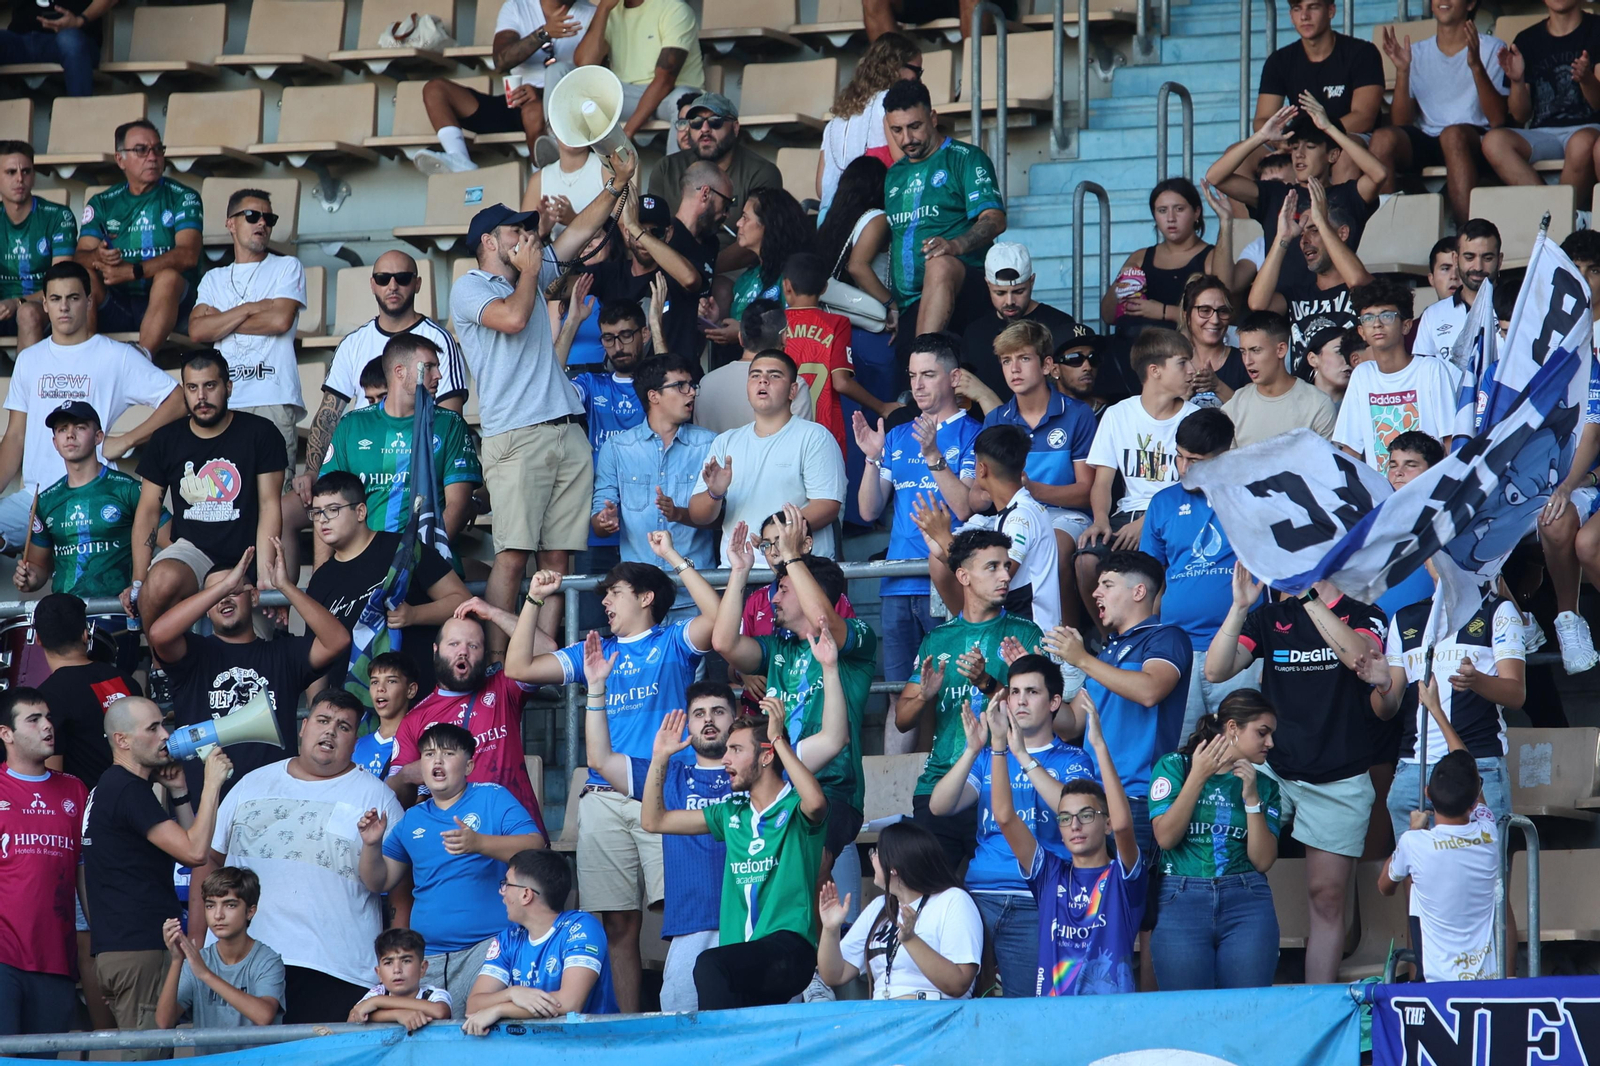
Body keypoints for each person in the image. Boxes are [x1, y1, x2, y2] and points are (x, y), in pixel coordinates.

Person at [494, 541, 716, 1016]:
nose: (605, 603)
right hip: (600, 794)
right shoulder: (596, 651)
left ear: (646, 598)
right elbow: (518, 668)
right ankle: (629, 1027)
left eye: (614, 593)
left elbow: (719, 624)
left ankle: (687, 1020)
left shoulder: (672, 642)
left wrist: (677, 561)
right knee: (617, 925)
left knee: (680, 914)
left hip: (664, 793)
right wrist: (532, 600)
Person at [449, 147, 636, 650]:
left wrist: (616, 187)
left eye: (528, 231)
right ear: (489, 242)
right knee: (513, 554)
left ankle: (545, 657)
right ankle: (493, 658)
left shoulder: (528, 272)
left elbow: (578, 233)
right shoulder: (469, 287)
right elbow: (511, 318)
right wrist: (532, 271)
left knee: (558, 559)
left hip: (564, 431)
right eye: (516, 232)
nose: (527, 238)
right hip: (516, 436)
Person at [1204, 563, 1386, 985]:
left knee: (1327, 896)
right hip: (1274, 771)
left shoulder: (1365, 614)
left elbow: (1360, 659)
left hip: (1338, 777)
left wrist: (1308, 597)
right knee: (1226, 867)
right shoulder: (1269, 618)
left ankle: (1318, 1005)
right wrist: (1238, 607)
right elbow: (1215, 670)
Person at [710, 512, 872, 926]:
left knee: (812, 870)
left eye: (782, 591)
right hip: (779, 784)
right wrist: (739, 571)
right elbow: (725, 642)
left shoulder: (856, 638)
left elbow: (828, 629)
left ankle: (815, 974)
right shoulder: (779, 647)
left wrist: (793, 559)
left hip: (833, 787)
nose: (774, 600)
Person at [207, 689, 406, 1023]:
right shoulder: (250, 785)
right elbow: (209, 863)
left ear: (355, 741)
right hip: (242, 962)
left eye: (343, 726)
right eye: (323, 720)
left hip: (337, 969)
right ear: (303, 726)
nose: (330, 731)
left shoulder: (379, 798)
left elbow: (394, 887)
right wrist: (203, 943)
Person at [925, 653, 1095, 997]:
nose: (1020, 700)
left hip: (1038, 899)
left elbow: (1075, 808)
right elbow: (939, 805)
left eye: (1032, 692)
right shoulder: (989, 756)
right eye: (1014, 692)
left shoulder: (1073, 760)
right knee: (967, 1006)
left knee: (1027, 1008)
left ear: (1054, 702)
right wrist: (973, 750)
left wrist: (1021, 755)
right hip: (979, 896)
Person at [641, 706, 829, 1010]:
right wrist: (660, 758)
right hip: (744, 958)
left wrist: (778, 739)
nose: (725, 758)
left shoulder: (795, 807)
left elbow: (817, 802)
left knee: (709, 965)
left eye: (736, 749)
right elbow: (653, 821)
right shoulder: (731, 813)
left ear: (766, 756)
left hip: (790, 950)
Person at [358, 722, 545, 1016]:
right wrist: (371, 845)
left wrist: (479, 843)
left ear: (469, 764)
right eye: (429, 754)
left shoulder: (492, 797)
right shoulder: (413, 818)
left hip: (488, 948)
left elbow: (536, 846)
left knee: (482, 1035)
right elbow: (379, 881)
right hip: (424, 959)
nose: (437, 760)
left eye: (448, 753)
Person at [0, 262, 184, 554]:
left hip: (95, 496)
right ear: (44, 304)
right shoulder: (29, 360)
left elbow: (178, 399)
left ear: (88, 302)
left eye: (73, 298)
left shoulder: (115, 356)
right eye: (56, 299)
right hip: (35, 499)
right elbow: (15, 437)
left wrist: (125, 440)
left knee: (168, 542)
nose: (64, 307)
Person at [855, 333, 981, 753]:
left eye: (929, 374)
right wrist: (872, 458)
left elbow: (963, 507)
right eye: (912, 376)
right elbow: (870, 510)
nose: (918, 385)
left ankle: (947, 784)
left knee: (950, 691)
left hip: (944, 579)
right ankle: (894, 803)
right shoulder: (897, 434)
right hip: (897, 581)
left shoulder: (972, 433)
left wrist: (932, 453)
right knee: (899, 694)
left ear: (955, 377)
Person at [895, 526, 1047, 867]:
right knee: (927, 897)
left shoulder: (1026, 633)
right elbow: (902, 720)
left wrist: (987, 682)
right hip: (940, 783)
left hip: (1004, 786)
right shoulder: (937, 639)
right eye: (992, 567)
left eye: (1006, 566)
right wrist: (924, 696)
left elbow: (1042, 715)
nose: (1005, 575)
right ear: (963, 576)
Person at [150, 543, 350, 800]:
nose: (225, 597)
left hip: (273, 806)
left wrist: (286, 587)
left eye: (236, 590)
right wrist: (223, 587)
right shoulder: (194, 654)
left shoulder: (284, 655)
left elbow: (338, 641)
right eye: (215, 593)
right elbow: (158, 634)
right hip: (206, 813)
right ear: (207, 608)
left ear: (254, 597)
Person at [84, 697, 230, 1040]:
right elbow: (196, 853)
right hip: (140, 951)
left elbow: (188, 849)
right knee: (148, 1054)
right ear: (122, 740)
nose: (166, 734)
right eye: (153, 728)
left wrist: (180, 793)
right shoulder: (127, 790)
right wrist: (211, 783)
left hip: (123, 948)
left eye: (164, 724)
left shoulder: (112, 787)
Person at [584, 679, 734, 1012]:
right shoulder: (669, 775)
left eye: (718, 711)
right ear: (688, 724)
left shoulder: (757, 771)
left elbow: (831, 741)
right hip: (691, 926)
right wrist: (595, 687)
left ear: (734, 720)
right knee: (682, 1032)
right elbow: (599, 760)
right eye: (699, 714)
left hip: (755, 921)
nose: (708, 719)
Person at [1046, 551, 1192, 882]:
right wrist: (1032, 690)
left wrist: (1082, 659)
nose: (1096, 593)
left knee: (1135, 908)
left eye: (1107, 584)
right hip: (1091, 796)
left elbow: (1150, 690)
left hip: (1138, 797)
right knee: (1098, 902)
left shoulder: (1166, 636)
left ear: (1138, 592)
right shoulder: (1108, 651)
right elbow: (1073, 723)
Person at [993, 698, 1145, 995]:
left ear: (1106, 823)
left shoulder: (1123, 877)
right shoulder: (1049, 874)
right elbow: (1005, 817)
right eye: (1065, 818)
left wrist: (1099, 746)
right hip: (1054, 1018)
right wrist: (1001, 747)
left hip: (1112, 1017)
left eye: (1086, 815)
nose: (1075, 825)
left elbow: (1125, 826)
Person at [132, 350, 288, 632]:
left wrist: (265, 575)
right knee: (157, 584)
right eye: (192, 387)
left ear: (228, 387)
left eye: (210, 386)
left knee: (265, 637)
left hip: (247, 553)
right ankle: (161, 671)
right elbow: (148, 512)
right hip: (193, 551)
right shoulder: (166, 439)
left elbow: (269, 506)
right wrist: (138, 581)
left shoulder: (261, 433)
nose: (201, 397)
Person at [300, 253, 468, 507]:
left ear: (417, 284)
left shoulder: (438, 340)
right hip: (355, 466)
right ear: (372, 284)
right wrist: (312, 472)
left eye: (402, 278)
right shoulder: (353, 343)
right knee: (287, 512)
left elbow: (448, 421)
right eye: (383, 278)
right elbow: (328, 415)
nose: (392, 286)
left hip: (414, 469)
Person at [1365, 576, 1523, 842]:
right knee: (1416, 874)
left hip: (1477, 763)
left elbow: (1517, 694)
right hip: (1413, 768)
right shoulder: (1406, 618)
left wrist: (1476, 680)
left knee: (1482, 877)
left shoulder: (1497, 609)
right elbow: (1386, 710)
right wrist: (1382, 685)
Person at [1148, 690, 1282, 991]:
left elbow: (1262, 861)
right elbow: (1166, 837)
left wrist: (1251, 800)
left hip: (1246, 900)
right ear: (1232, 728)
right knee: (1187, 1013)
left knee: (1248, 1010)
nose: (1270, 743)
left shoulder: (1265, 785)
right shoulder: (1174, 766)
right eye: (1262, 732)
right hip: (1181, 896)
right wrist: (1198, 775)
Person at [1141, 409, 1262, 737]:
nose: (1184, 468)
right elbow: (1148, 584)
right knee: (1181, 755)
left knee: (1245, 756)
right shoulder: (1163, 503)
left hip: (1243, 650)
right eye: (1180, 457)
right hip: (1178, 652)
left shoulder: (1253, 498)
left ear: (1224, 457)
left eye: (1195, 460)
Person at [1377, 680, 1500, 982]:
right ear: (1475, 802)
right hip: (1487, 980)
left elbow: (1384, 887)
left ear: (1427, 793)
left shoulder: (1414, 843)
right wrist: (1437, 711)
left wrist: (1413, 832)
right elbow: (1467, 765)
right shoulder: (1488, 831)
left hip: (1437, 984)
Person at [188, 188, 307, 497]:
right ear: (231, 223)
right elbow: (198, 331)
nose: (262, 224)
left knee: (274, 499)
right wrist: (250, 308)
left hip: (273, 396)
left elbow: (279, 321)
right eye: (252, 216)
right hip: (226, 399)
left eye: (269, 218)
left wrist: (222, 322)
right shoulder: (213, 279)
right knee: (223, 497)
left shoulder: (286, 266)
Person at [304, 472, 469, 694]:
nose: (323, 519)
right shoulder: (320, 581)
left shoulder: (404, 550)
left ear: (360, 511)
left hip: (418, 700)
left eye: (332, 510)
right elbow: (318, 657)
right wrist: (318, 708)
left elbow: (463, 601)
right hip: (353, 714)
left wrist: (414, 615)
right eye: (316, 513)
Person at [320, 334, 482, 561]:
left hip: (428, 564)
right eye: (429, 367)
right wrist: (322, 574)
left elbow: (458, 504)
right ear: (400, 372)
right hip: (363, 563)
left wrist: (419, 563)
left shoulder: (449, 424)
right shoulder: (352, 425)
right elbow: (328, 503)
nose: (439, 375)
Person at [1077, 329, 1198, 628]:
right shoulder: (1119, 414)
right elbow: (1102, 481)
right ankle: (1107, 640)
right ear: (1154, 371)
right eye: (1183, 363)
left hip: (1174, 515)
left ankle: (1156, 637)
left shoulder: (1194, 417)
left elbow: (1195, 487)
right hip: (1125, 515)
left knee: (1160, 567)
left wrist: (1145, 523)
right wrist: (1101, 519)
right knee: (1085, 560)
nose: (1192, 371)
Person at [1209, 99, 1385, 299]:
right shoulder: (1277, 194)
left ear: (1333, 155)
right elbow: (1215, 177)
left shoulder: (1348, 195)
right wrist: (1261, 137)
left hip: (1337, 307)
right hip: (1281, 309)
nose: (1299, 155)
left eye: (1310, 146)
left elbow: (1379, 174)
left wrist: (1330, 129)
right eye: (1294, 147)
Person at [979, 320, 1098, 614]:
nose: (1014, 369)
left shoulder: (1078, 415)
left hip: (1065, 517)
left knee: (1053, 550)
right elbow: (978, 494)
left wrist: (1031, 490)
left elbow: (1087, 493)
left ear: (1047, 365)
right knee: (952, 558)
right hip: (1011, 516)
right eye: (1006, 361)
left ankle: (1066, 645)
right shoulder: (996, 419)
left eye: (1024, 358)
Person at [386, 611, 544, 825]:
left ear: (485, 654)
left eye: (473, 646)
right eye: (453, 644)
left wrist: (493, 613)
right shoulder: (414, 719)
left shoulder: (505, 686)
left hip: (517, 835)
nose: (463, 652)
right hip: (453, 846)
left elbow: (548, 650)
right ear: (436, 651)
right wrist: (406, 775)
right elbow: (394, 803)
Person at [689, 350, 846, 561]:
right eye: (755, 375)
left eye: (774, 375)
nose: (763, 380)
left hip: (799, 570)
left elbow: (827, 506)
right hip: (738, 571)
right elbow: (699, 515)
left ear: (793, 391)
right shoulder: (726, 441)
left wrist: (772, 538)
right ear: (747, 388)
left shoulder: (814, 436)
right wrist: (715, 494)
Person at [882, 78, 1006, 343]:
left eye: (915, 126)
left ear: (933, 118)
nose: (907, 139)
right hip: (910, 309)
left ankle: (925, 357)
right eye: (897, 130)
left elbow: (995, 219)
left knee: (939, 264)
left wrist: (954, 245)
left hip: (963, 297)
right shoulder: (894, 174)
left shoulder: (966, 158)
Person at [412, 0, 596, 173]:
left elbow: (595, 77)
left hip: (560, 105)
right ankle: (460, 161)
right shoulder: (517, 6)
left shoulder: (590, 14)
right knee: (435, 89)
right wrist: (543, 33)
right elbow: (500, 61)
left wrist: (540, 92)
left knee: (533, 112)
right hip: (515, 100)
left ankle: (545, 186)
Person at [0, 687, 90, 1038]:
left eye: (48, 717)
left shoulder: (75, 790)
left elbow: (84, 870)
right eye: (34, 720)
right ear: (6, 733)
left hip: (57, 957)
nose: (47, 726)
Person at [15, 401, 169, 603]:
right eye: (62, 429)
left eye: (80, 427)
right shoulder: (44, 501)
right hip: (64, 615)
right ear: (55, 442)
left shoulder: (128, 490)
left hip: (116, 612)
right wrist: (30, 578)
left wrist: (148, 585)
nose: (70, 435)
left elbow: (173, 545)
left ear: (99, 437)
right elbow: (39, 567)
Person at [1372, 2, 1510, 226]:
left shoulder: (1492, 48)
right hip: (1430, 138)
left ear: (1470, 3)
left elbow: (1497, 119)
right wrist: (1403, 71)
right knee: (1382, 139)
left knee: (1452, 136)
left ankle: (1467, 236)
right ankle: (1389, 232)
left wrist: (1476, 65)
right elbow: (1401, 123)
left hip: (1476, 139)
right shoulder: (1415, 52)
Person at [73, 120, 204, 356]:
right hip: (119, 305)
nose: (152, 156)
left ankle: (142, 359)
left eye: (157, 149)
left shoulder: (183, 197)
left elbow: (188, 254)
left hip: (175, 307)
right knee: (85, 277)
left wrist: (134, 270)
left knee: (168, 276)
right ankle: (86, 360)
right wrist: (97, 256)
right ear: (120, 159)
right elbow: (80, 256)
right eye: (141, 150)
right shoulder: (103, 202)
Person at [816, 819, 983, 999]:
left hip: (935, 1016)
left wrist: (911, 940)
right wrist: (830, 929)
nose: (871, 858)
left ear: (893, 868)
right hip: (883, 1015)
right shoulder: (879, 906)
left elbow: (958, 984)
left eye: (876, 853)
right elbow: (835, 974)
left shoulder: (953, 900)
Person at [922, 426, 1063, 633]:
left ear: (982, 469)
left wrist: (945, 540)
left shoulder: (1019, 517)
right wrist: (943, 553)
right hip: (1017, 637)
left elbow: (992, 581)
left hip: (1032, 641)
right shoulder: (1013, 511)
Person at [460, 849, 618, 1031]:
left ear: (526, 895)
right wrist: (513, 993)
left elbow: (569, 1003)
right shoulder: (508, 938)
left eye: (506, 884)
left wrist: (500, 1008)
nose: (501, 892)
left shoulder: (581, 926)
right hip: (532, 1049)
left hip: (592, 1045)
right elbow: (474, 1005)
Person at [591, 353, 717, 574]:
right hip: (638, 591)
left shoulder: (710, 444)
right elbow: (598, 522)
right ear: (653, 396)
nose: (692, 392)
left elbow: (722, 519)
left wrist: (680, 513)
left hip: (696, 588)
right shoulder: (617, 448)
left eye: (692, 384)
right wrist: (604, 521)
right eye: (681, 386)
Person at [1333, 278, 1472, 471]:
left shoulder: (1431, 369)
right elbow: (1351, 451)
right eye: (1368, 318)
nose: (1377, 324)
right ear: (1361, 331)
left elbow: (1450, 441)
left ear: (1406, 326)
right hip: (1381, 496)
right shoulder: (1362, 375)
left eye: (1387, 316)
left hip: (1426, 490)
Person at [576, 185, 714, 372]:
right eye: (638, 231)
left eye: (655, 232)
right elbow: (554, 288)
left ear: (669, 234)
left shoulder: (680, 268)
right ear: (626, 234)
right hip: (625, 387)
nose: (645, 239)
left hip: (679, 385)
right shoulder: (611, 273)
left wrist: (637, 229)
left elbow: (690, 280)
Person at [646, 92, 780, 272]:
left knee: (721, 290)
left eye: (715, 121)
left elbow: (757, 241)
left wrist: (704, 272)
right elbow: (650, 228)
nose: (705, 129)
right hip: (667, 266)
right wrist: (677, 270)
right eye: (696, 122)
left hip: (731, 271)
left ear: (735, 127)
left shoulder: (762, 173)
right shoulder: (666, 168)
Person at [155, 867, 285, 1048]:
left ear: (250, 911)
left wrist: (206, 975)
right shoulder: (199, 960)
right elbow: (164, 1023)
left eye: (230, 905)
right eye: (210, 905)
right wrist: (177, 960)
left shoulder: (267, 960)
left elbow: (263, 1015)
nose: (218, 915)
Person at [785, 251, 898, 452]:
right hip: (824, 432)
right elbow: (841, 382)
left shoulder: (775, 323)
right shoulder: (837, 324)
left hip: (781, 430)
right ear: (825, 288)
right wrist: (882, 407)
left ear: (786, 285)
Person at [1102, 179, 1235, 345]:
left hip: (1179, 353)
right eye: (1162, 210)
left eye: (1179, 209)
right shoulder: (1140, 257)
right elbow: (1107, 316)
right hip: (1129, 348)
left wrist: (1163, 312)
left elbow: (1224, 306)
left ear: (1196, 212)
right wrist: (1120, 284)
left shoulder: (1211, 257)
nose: (1170, 218)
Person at [1489, 0, 1600, 192]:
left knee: (1581, 142)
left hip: (1589, 128)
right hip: (1544, 134)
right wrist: (1517, 81)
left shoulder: (1597, 29)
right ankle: (1548, 206)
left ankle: (1562, 214)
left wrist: (1586, 79)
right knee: (1494, 141)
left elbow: (1599, 104)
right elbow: (1520, 115)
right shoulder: (1526, 39)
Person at [34, 593, 141, 787]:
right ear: (85, 635)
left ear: (38, 639)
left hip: (89, 812)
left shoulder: (45, 698)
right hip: (140, 804)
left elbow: (52, 780)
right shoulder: (126, 681)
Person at [565, 0, 707, 142]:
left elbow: (665, 80)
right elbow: (585, 64)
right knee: (561, 73)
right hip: (628, 97)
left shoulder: (675, 9)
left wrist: (627, 133)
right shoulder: (611, 12)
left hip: (668, 96)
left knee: (683, 103)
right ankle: (563, 150)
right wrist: (603, 9)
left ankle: (678, 164)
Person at [1255, 0, 1384, 148]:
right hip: (1298, 141)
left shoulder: (1362, 52)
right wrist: (1281, 141)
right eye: (1297, 9)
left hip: (1348, 136)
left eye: (1313, 7)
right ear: (1291, 16)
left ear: (1331, 11)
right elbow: (1262, 119)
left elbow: (1363, 118)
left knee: (1346, 154)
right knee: (1241, 157)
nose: (1304, 16)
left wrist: (1313, 139)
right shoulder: (1279, 60)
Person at [817, 33, 922, 211]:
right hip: (875, 216)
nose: (919, 80)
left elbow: (821, 188)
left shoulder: (836, 120)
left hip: (830, 217)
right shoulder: (888, 102)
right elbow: (902, 161)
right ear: (895, 67)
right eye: (917, 71)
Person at [964, 243, 1081, 398]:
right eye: (1000, 293)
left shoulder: (1059, 324)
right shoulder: (974, 333)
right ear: (987, 284)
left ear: (1032, 282)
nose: (1010, 301)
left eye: (1019, 291)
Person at [707, 186, 813, 343]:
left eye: (745, 217)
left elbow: (800, 331)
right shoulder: (746, 279)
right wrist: (715, 319)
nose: (738, 223)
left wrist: (745, 332)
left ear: (768, 224)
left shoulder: (796, 276)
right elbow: (736, 326)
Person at [694, 302, 814, 433]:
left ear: (740, 338)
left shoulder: (706, 383)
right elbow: (801, 444)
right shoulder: (793, 384)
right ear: (784, 338)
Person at [1222, 310, 1338, 446]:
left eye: (1256, 350)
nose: (1247, 361)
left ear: (1281, 350)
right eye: (1243, 352)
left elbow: (1328, 465)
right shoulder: (1235, 405)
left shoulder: (1318, 405)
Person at [0, 140, 74, 350]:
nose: (19, 179)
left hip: (45, 308)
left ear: (33, 176)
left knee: (27, 313)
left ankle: (27, 384)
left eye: (26, 171)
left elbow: (60, 285)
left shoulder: (58, 216)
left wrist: (17, 303)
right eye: (10, 172)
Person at [1411, 220, 1502, 363]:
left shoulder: (1518, 309)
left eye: (1488, 258)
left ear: (1500, 260)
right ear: (1455, 258)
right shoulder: (1432, 315)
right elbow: (1423, 377)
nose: (1478, 267)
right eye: (1469, 257)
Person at [347, 928, 454, 1031]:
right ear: (379, 973)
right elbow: (353, 1017)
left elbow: (440, 1012)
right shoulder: (379, 992)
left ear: (422, 968)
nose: (397, 970)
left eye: (406, 961)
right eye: (388, 963)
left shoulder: (432, 994)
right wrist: (397, 1015)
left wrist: (377, 1002)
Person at [0, 0, 107, 97]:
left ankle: (80, 114)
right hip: (20, 41)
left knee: (70, 40)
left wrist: (80, 20)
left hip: (72, 40)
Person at [1175, 275, 1248, 410]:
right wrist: (1183, 399)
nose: (1215, 320)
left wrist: (1218, 386)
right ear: (1187, 315)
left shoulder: (1245, 360)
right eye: (1205, 311)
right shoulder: (1171, 363)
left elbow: (1253, 416)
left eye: (1223, 311)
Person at [354, 653, 420, 779]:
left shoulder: (422, 747)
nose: (380, 688)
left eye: (391, 681)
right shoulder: (355, 747)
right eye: (374, 682)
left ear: (410, 690)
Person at [1305, 322, 1351, 412]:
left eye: (1352, 354)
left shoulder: (1363, 405)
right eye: (1339, 352)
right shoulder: (1295, 403)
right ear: (1313, 359)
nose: (1348, 360)